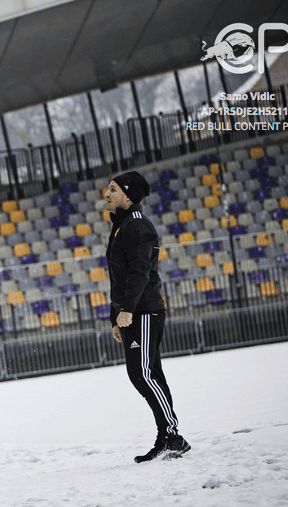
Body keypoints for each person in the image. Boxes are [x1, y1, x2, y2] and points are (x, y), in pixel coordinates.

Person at [104, 170, 190, 463]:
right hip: (132, 312)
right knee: (149, 373)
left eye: (113, 189)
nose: (107, 193)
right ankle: (167, 436)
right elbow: (120, 277)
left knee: (142, 374)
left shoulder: (139, 227)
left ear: (127, 195)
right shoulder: (122, 226)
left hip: (144, 310)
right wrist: (115, 315)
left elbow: (140, 273)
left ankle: (172, 435)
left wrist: (127, 310)